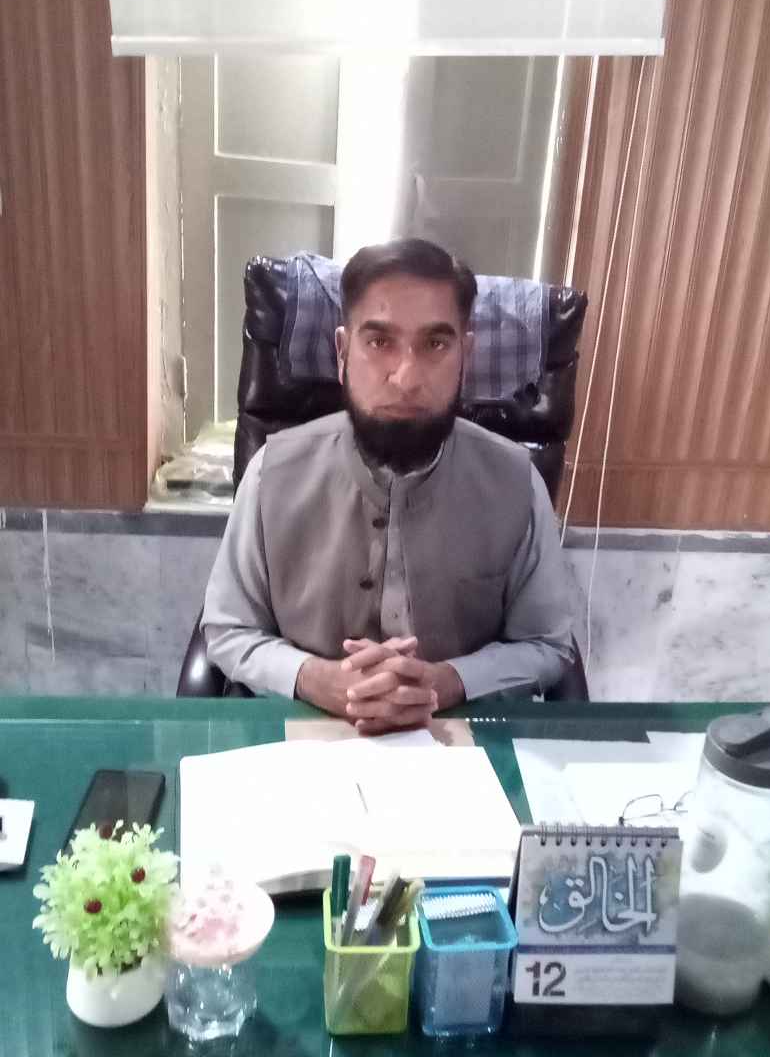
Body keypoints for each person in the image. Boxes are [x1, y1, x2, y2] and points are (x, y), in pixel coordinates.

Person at [202, 238, 574, 735]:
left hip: (460, 740)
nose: (406, 378)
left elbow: (547, 644)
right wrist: (316, 679)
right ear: (342, 352)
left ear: (466, 355)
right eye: (379, 342)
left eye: (435, 344)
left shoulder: (515, 481)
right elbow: (228, 627)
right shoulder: (272, 472)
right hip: (303, 733)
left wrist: (450, 682)